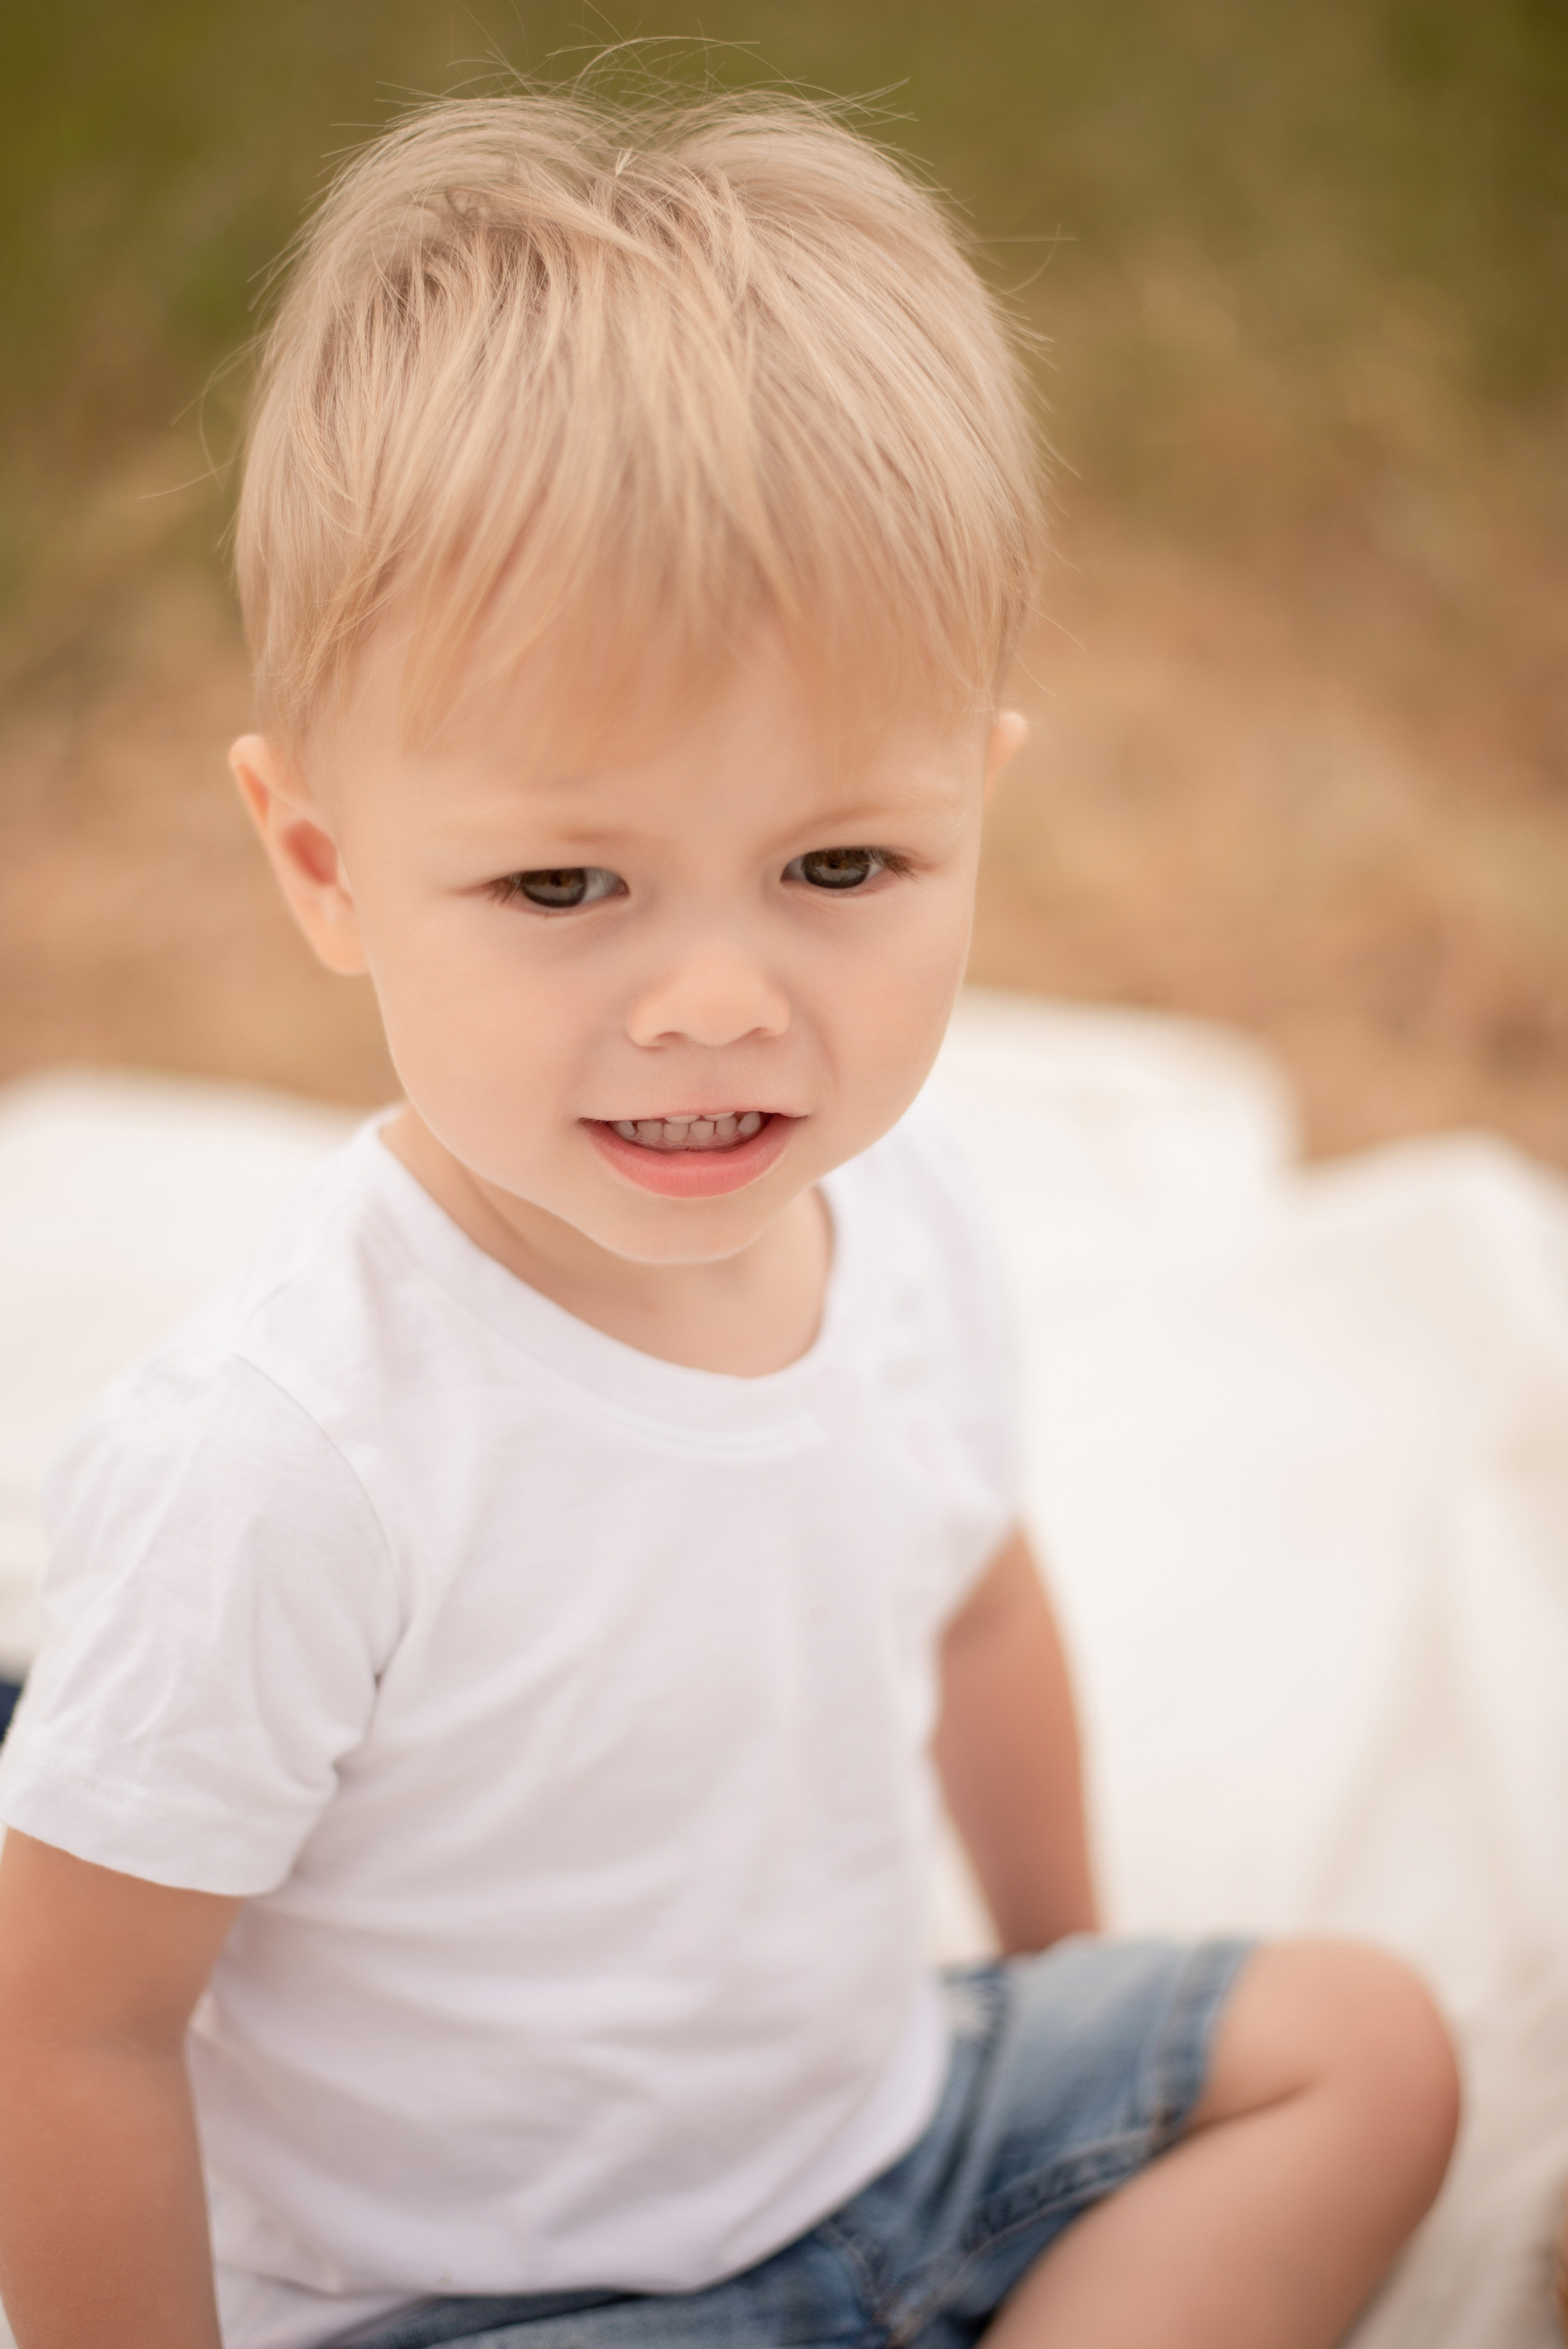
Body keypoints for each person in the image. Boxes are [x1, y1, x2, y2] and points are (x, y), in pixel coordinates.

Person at [0, 86, 1459, 2349]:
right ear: (323, 868)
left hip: (890, 2132)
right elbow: (69, 2021)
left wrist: (1063, 1987)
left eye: (840, 867)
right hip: (487, 2296)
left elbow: (978, 1609)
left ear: (974, 804)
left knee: (1364, 2049)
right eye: (564, 885)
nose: (714, 1003)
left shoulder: (921, 1206)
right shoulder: (291, 1450)